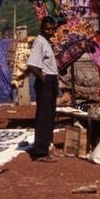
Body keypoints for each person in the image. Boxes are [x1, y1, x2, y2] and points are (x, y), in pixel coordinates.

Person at [25, 15, 60, 160]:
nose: (50, 31)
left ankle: (47, 146)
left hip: (51, 80)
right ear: (42, 28)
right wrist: (43, 78)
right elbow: (32, 65)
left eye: (52, 29)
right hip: (46, 81)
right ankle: (40, 151)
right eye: (47, 29)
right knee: (43, 116)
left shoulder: (47, 42)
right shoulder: (39, 42)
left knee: (50, 115)